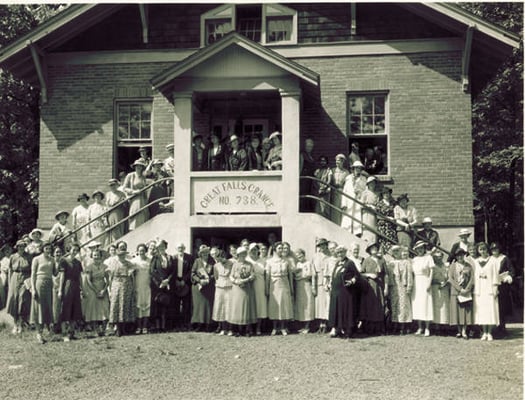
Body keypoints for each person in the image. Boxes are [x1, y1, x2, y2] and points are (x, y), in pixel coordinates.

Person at [328, 246, 360, 338]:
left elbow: (356, 275)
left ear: (345, 252)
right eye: (338, 253)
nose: (340, 254)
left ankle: (348, 330)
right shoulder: (338, 263)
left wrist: (352, 281)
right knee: (336, 309)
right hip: (335, 291)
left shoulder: (349, 263)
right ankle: (337, 328)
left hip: (346, 291)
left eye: (342, 252)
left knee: (346, 310)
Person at [105, 241, 136, 336]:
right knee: (116, 305)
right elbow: (109, 277)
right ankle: (117, 328)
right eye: (120, 254)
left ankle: (124, 328)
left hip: (127, 285)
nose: (121, 256)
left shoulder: (129, 263)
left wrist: (133, 287)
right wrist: (109, 289)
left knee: (125, 305)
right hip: (116, 285)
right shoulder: (113, 263)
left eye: (123, 254)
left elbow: (132, 277)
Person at [30, 241, 57, 343]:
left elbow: (55, 273)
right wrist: (33, 288)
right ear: (42, 249)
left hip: (49, 284)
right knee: (38, 308)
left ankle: (47, 331)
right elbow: (33, 275)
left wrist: (59, 262)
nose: (48, 250)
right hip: (39, 284)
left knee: (47, 307)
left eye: (50, 249)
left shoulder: (52, 259)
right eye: (46, 248)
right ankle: (39, 333)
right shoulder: (36, 259)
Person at [473, 242, 500, 341]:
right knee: (482, 311)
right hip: (480, 289)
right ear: (478, 251)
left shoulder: (493, 261)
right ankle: (484, 332)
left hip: (489, 289)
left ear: (487, 250)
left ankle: (489, 332)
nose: (482, 251)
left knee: (490, 310)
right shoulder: (476, 261)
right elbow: (474, 276)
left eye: (484, 249)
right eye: (480, 249)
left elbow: (496, 276)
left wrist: (495, 287)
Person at [359, 243, 387, 335]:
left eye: (376, 248)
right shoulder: (366, 260)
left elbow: (386, 274)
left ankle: (379, 328)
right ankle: (369, 329)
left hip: (380, 285)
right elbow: (361, 273)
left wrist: (386, 287)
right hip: (370, 286)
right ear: (369, 251)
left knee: (380, 305)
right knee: (370, 305)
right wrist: (369, 275)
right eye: (372, 249)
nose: (374, 250)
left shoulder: (382, 260)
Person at [266, 242, 293, 335]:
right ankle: (275, 327)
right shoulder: (269, 261)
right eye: (279, 248)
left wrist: (291, 288)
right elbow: (267, 276)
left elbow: (290, 276)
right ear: (274, 250)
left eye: (282, 248)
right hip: (274, 285)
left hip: (284, 284)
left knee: (284, 305)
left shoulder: (286, 261)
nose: (281, 250)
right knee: (275, 305)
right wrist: (266, 289)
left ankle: (283, 327)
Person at [228, 246, 256, 336]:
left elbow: (253, 275)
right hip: (237, 289)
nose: (243, 256)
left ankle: (247, 330)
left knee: (246, 308)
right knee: (238, 308)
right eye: (241, 254)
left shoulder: (249, 264)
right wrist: (235, 281)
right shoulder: (235, 265)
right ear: (238, 255)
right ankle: (239, 330)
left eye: (244, 254)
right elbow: (231, 276)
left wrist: (246, 280)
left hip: (246, 288)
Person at [58, 243, 83, 341]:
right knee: (66, 309)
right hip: (67, 285)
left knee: (75, 309)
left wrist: (82, 289)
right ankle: (64, 333)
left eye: (77, 250)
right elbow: (62, 276)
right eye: (73, 249)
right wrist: (60, 290)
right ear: (69, 249)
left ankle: (71, 332)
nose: (75, 251)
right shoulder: (63, 261)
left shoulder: (78, 262)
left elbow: (80, 276)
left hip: (76, 286)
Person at [6, 240, 32, 334]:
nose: (21, 248)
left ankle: (21, 324)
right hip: (14, 279)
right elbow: (10, 270)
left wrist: (30, 282)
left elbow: (32, 270)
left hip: (25, 279)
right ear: (16, 247)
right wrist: (9, 282)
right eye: (19, 246)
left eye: (23, 246)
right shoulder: (13, 257)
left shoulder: (29, 256)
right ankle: (15, 324)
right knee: (14, 300)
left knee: (23, 300)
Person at [386, 245, 413, 335]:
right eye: (394, 251)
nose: (396, 253)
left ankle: (404, 326)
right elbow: (388, 275)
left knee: (403, 305)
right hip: (393, 286)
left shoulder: (405, 262)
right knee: (394, 305)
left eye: (397, 251)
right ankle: (395, 325)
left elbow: (409, 275)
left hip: (402, 285)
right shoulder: (390, 263)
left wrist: (409, 286)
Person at [448, 248, 474, 339]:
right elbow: (451, 279)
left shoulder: (468, 266)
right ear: (456, 256)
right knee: (457, 312)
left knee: (465, 312)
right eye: (458, 255)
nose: (460, 257)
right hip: (456, 292)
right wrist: (459, 289)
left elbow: (472, 278)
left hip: (466, 292)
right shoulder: (453, 266)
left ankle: (464, 331)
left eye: (462, 255)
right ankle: (459, 331)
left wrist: (467, 289)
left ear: (464, 256)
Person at [83, 248, 109, 336]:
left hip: (103, 288)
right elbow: (88, 281)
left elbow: (108, 280)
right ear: (92, 256)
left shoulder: (105, 266)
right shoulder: (89, 267)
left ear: (101, 256)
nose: (96, 257)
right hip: (93, 289)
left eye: (98, 255)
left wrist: (104, 290)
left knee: (105, 308)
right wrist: (96, 291)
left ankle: (104, 329)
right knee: (94, 309)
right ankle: (96, 330)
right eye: (94, 255)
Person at [490, 242, 514, 337]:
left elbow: (511, 270)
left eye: (496, 249)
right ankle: (493, 327)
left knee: (502, 307)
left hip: (502, 286)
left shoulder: (504, 258)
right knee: (493, 306)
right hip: (492, 285)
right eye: (493, 249)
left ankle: (502, 327)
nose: (495, 251)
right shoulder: (489, 259)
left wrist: (508, 277)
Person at [411, 240, 434, 336]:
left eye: (421, 248)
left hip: (425, 281)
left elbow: (432, 271)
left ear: (424, 249)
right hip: (416, 283)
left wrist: (429, 282)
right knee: (417, 304)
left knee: (426, 304)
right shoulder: (414, 259)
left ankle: (427, 328)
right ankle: (420, 327)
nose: (420, 250)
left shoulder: (428, 257)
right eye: (418, 249)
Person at [150, 240, 173, 332]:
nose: (162, 248)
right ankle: (157, 326)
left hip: (167, 284)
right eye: (160, 247)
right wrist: (161, 281)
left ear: (166, 247)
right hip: (157, 285)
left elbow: (172, 271)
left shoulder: (170, 257)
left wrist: (168, 280)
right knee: (157, 305)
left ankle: (164, 326)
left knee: (166, 304)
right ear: (158, 248)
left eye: (163, 246)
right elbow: (152, 271)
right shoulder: (155, 257)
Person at [191, 244, 215, 331]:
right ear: (200, 254)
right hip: (199, 287)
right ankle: (199, 324)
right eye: (203, 253)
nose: (205, 254)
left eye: (206, 252)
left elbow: (215, 274)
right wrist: (199, 281)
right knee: (198, 306)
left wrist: (209, 280)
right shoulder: (197, 261)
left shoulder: (212, 261)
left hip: (209, 287)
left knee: (208, 306)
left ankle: (208, 325)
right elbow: (193, 273)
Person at [341, 161, 367, 235]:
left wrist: (360, 193)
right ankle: (347, 231)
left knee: (357, 216)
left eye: (359, 168)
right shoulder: (348, 178)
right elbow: (345, 191)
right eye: (356, 168)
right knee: (347, 216)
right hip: (349, 201)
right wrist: (344, 203)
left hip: (358, 200)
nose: (357, 170)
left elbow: (365, 191)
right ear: (353, 169)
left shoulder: (363, 179)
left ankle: (357, 232)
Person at [122, 159, 149, 230]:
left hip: (142, 199)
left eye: (140, 166)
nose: (138, 168)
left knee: (143, 215)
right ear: (135, 167)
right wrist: (133, 191)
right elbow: (124, 188)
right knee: (135, 214)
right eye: (137, 166)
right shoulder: (130, 175)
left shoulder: (143, 177)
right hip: (134, 198)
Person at [293, 248, 315, 333]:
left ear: (304, 255)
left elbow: (310, 275)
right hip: (299, 286)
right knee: (301, 305)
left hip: (306, 285)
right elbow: (295, 275)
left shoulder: (309, 263)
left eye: (301, 255)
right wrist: (297, 274)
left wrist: (301, 275)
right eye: (298, 256)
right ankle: (303, 326)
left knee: (308, 304)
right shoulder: (298, 264)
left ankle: (307, 326)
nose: (299, 257)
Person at [247, 243, 267, 335]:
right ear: (249, 251)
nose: (253, 252)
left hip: (260, 284)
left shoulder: (263, 261)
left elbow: (267, 275)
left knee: (260, 306)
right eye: (252, 250)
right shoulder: (246, 260)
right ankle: (250, 328)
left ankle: (258, 328)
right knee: (250, 305)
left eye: (255, 250)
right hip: (249, 285)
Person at [211, 248, 233, 335]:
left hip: (229, 287)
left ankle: (230, 329)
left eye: (223, 257)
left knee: (229, 307)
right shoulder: (216, 266)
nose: (222, 258)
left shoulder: (231, 264)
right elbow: (216, 277)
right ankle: (223, 329)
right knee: (221, 308)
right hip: (220, 288)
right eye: (219, 257)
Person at [172, 242, 192, 330]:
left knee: (186, 305)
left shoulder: (189, 257)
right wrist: (175, 280)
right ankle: (176, 324)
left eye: (182, 247)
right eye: (179, 247)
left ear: (184, 248)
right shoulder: (173, 258)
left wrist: (184, 280)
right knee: (175, 304)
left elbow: (191, 270)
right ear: (176, 249)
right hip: (175, 282)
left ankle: (185, 324)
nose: (180, 249)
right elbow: (171, 270)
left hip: (185, 282)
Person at [132, 244, 151, 334]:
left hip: (147, 286)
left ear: (146, 251)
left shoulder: (150, 261)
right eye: (140, 250)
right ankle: (138, 327)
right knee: (138, 306)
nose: (141, 252)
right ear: (137, 251)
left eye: (143, 250)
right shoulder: (134, 261)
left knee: (147, 306)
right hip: (138, 285)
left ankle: (145, 327)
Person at [312, 238, 330, 333]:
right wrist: (313, 286)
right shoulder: (315, 257)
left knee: (326, 304)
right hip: (318, 281)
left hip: (327, 281)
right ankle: (320, 324)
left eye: (324, 245)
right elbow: (313, 272)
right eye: (320, 245)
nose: (322, 247)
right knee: (319, 305)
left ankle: (326, 324)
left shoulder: (329, 256)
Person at [430, 250, 450, 334]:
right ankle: (436, 327)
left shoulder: (446, 265)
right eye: (436, 257)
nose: (438, 258)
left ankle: (444, 326)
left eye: (440, 256)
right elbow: (429, 277)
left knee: (444, 306)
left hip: (444, 287)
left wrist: (445, 283)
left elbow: (449, 276)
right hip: (435, 287)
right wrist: (437, 282)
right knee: (436, 306)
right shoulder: (432, 266)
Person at [375, 187, 397, 254]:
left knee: (391, 240)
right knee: (384, 240)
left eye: (387, 193)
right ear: (382, 194)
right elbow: (377, 215)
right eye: (384, 193)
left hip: (391, 226)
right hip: (383, 225)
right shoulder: (379, 204)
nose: (386, 195)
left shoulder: (393, 203)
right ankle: (384, 254)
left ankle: (391, 254)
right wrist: (387, 218)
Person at [105, 178, 127, 244]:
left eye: (114, 185)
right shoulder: (108, 194)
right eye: (111, 185)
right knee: (112, 229)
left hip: (119, 212)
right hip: (110, 213)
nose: (112, 187)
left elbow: (125, 205)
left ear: (117, 185)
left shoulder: (121, 193)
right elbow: (107, 205)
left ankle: (120, 242)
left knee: (119, 228)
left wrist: (123, 202)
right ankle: (113, 244)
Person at [330, 154, 349, 225]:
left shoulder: (346, 172)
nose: (337, 163)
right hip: (333, 191)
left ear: (343, 162)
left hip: (342, 192)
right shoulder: (332, 170)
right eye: (336, 161)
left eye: (339, 161)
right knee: (334, 210)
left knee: (342, 209)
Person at [360, 176, 378, 245]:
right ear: (368, 184)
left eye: (373, 183)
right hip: (367, 213)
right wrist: (370, 206)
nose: (372, 185)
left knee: (374, 229)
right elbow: (361, 204)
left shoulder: (376, 194)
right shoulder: (365, 193)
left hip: (374, 214)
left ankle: (373, 243)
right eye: (371, 183)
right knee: (367, 229)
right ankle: (366, 243)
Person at [299, 138, 316, 212]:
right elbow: (300, 167)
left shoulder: (310, 155)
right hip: (304, 180)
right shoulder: (302, 155)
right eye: (308, 146)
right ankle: (303, 210)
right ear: (305, 146)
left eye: (311, 146)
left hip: (310, 180)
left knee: (309, 194)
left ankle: (308, 210)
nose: (309, 148)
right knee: (304, 194)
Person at [0, 244, 13, 309]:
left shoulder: (13, 257)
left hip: (12, 274)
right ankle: (4, 303)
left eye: (8, 250)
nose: (7, 251)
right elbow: (2, 268)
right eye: (5, 250)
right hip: (5, 275)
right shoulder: (3, 260)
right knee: (3, 287)